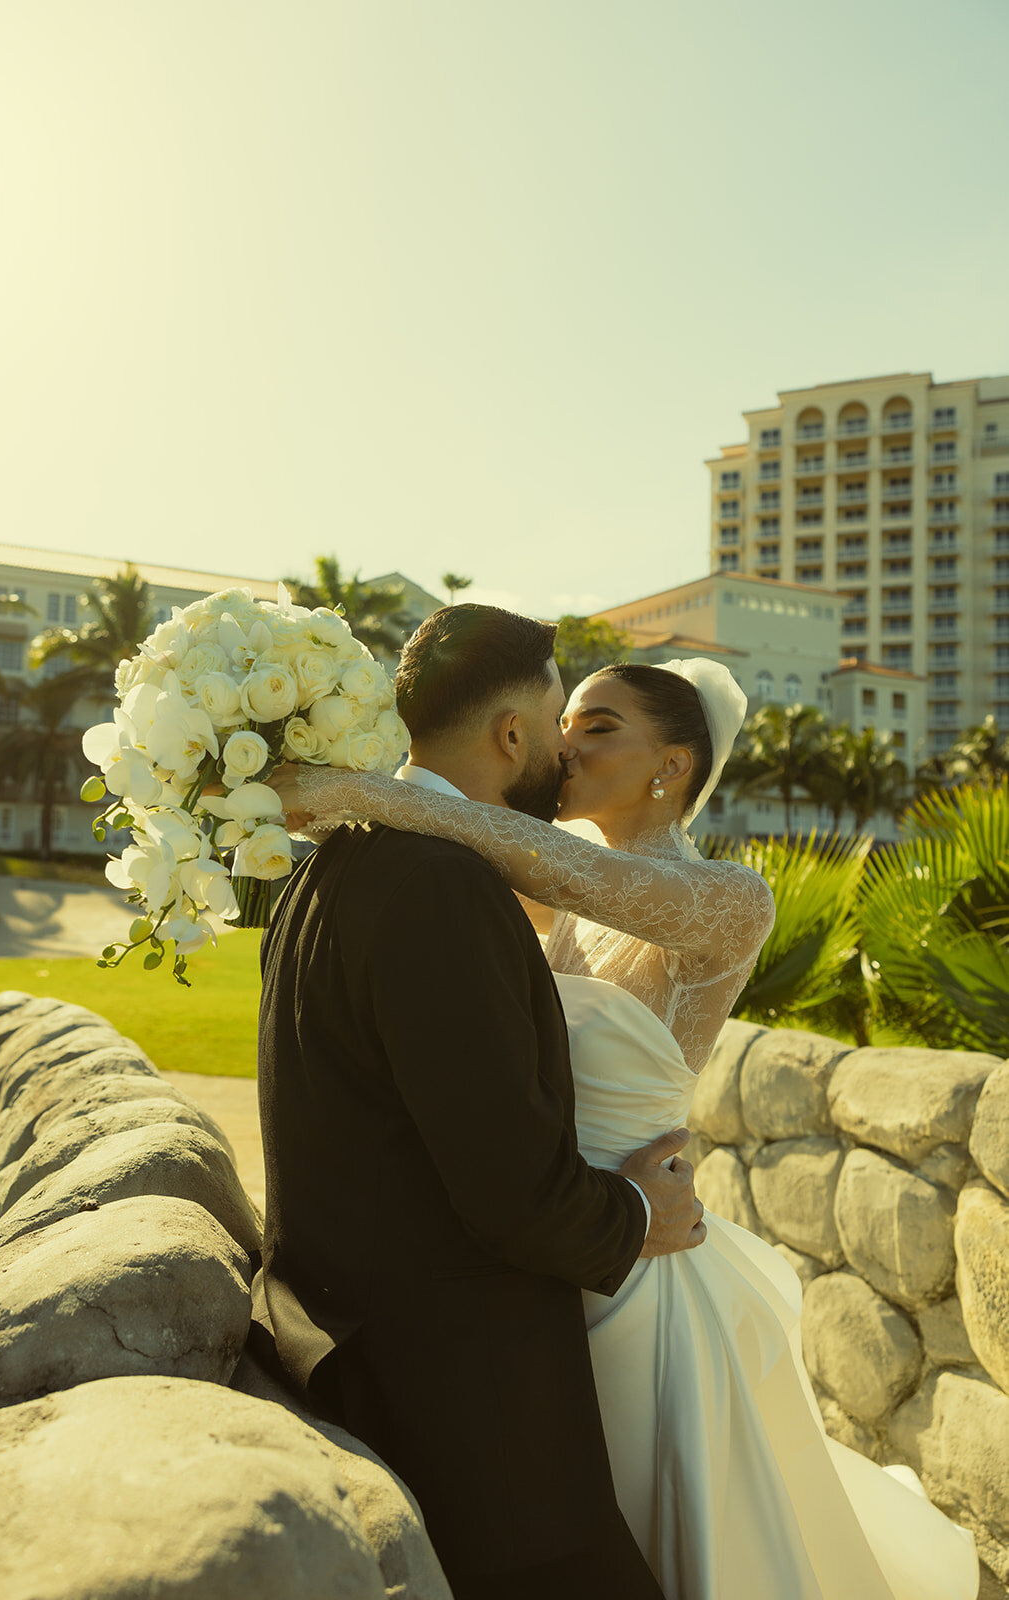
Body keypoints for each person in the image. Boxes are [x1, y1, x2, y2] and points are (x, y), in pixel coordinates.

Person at [271, 605, 980, 1600]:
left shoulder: (725, 900)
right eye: (565, 720)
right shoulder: (535, 894)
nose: (565, 740)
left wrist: (359, 789)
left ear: (673, 767)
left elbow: (537, 850)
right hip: (553, 1245)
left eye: (598, 726)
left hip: (630, 1257)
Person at [255, 604, 707, 1600]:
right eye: (555, 724)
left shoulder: (330, 862)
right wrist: (639, 1209)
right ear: (511, 736)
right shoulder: (440, 885)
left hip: (363, 1350)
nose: (561, 747)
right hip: (461, 1403)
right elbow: (511, 1190)